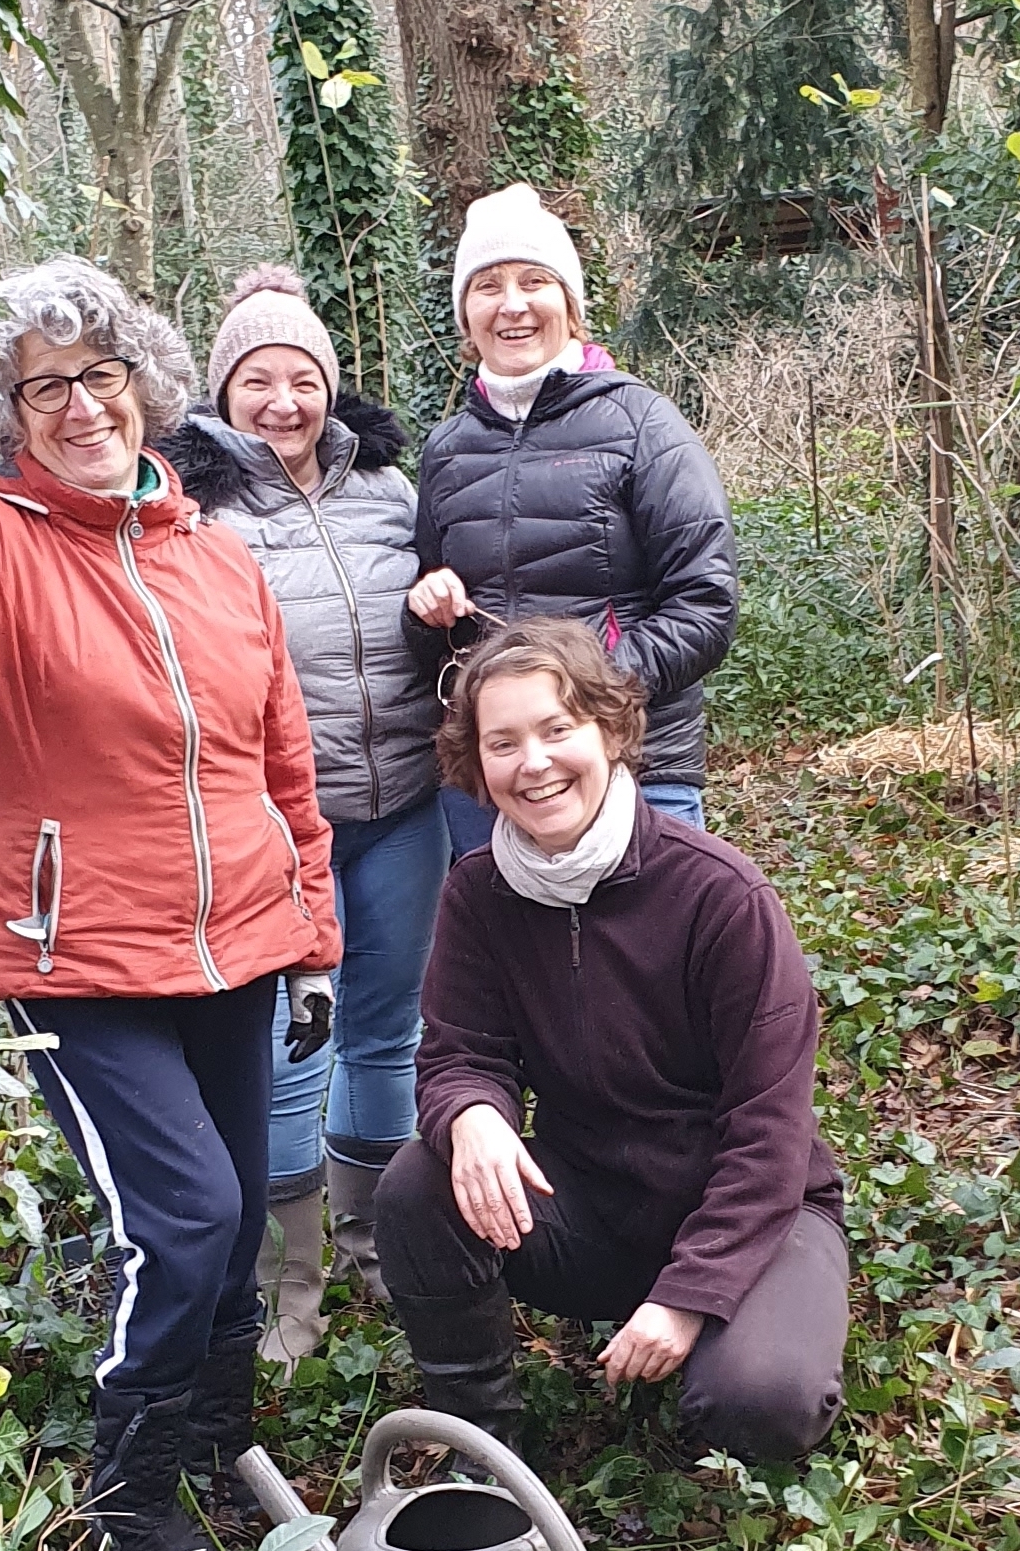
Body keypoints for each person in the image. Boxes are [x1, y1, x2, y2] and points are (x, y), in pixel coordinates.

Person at [0, 257, 343, 1551]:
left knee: (230, 1236)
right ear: (8, 413)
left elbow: (285, 761)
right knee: (185, 1223)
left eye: (100, 375)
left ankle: (216, 1435)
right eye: (42, 386)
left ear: (145, 384)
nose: (78, 406)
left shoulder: (219, 560)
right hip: (73, 959)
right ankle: (131, 1491)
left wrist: (317, 939)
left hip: (236, 944)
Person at [376, 618, 850, 1464]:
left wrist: (688, 1295)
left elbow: (769, 1133)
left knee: (762, 1400)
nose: (534, 763)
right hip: (593, 1209)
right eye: (504, 741)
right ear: (474, 765)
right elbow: (457, 1054)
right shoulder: (478, 892)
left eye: (558, 729)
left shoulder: (721, 896)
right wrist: (472, 1113)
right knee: (419, 1180)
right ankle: (486, 1448)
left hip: (760, 1214)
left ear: (610, 729)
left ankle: (732, 1341)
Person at [158, 268, 448, 1364]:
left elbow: (437, 598)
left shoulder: (386, 487)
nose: (283, 401)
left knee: (388, 1025)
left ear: (331, 387)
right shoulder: (193, 507)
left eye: (303, 378)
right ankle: (290, 1287)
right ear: (224, 392)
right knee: (293, 1043)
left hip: (407, 800)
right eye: (258, 379)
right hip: (284, 823)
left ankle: (379, 1243)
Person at [407, 182, 737, 851]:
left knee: (651, 957)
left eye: (534, 280)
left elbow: (706, 606)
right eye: (487, 286)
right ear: (467, 317)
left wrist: (582, 698)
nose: (513, 304)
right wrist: (424, 611)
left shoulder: (642, 423)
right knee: (514, 959)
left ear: (571, 305)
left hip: (636, 767)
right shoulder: (446, 450)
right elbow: (435, 640)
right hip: (497, 785)